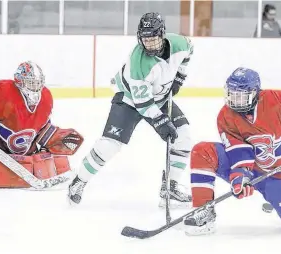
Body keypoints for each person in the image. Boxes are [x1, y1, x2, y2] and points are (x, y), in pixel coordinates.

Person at [68, 12, 193, 208]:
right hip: (129, 99)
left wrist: (179, 78)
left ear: (163, 35)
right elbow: (143, 103)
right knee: (110, 145)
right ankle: (79, 181)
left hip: (159, 98)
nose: (149, 45)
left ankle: (170, 186)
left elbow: (189, 52)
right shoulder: (138, 63)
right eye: (145, 40)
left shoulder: (180, 43)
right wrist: (161, 122)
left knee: (183, 137)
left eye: (153, 39)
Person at [184, 67, 281, 236]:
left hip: (277, 173)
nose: (235, 100)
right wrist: (240, 175)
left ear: (256, 93)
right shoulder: (225, 115)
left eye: (241, 96)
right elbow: (237, 150)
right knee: (202, 151)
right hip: (248, 169)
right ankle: (203, 210)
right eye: (232, 94)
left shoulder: (276, 99)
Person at [0, 61, 84, 188]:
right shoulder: (3, 91)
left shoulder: (46, 98)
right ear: (19, 81)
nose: (35, 87)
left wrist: (54, 138)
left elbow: (40, 127)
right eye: (30, 83)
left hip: (24, 151)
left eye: (37, 83)